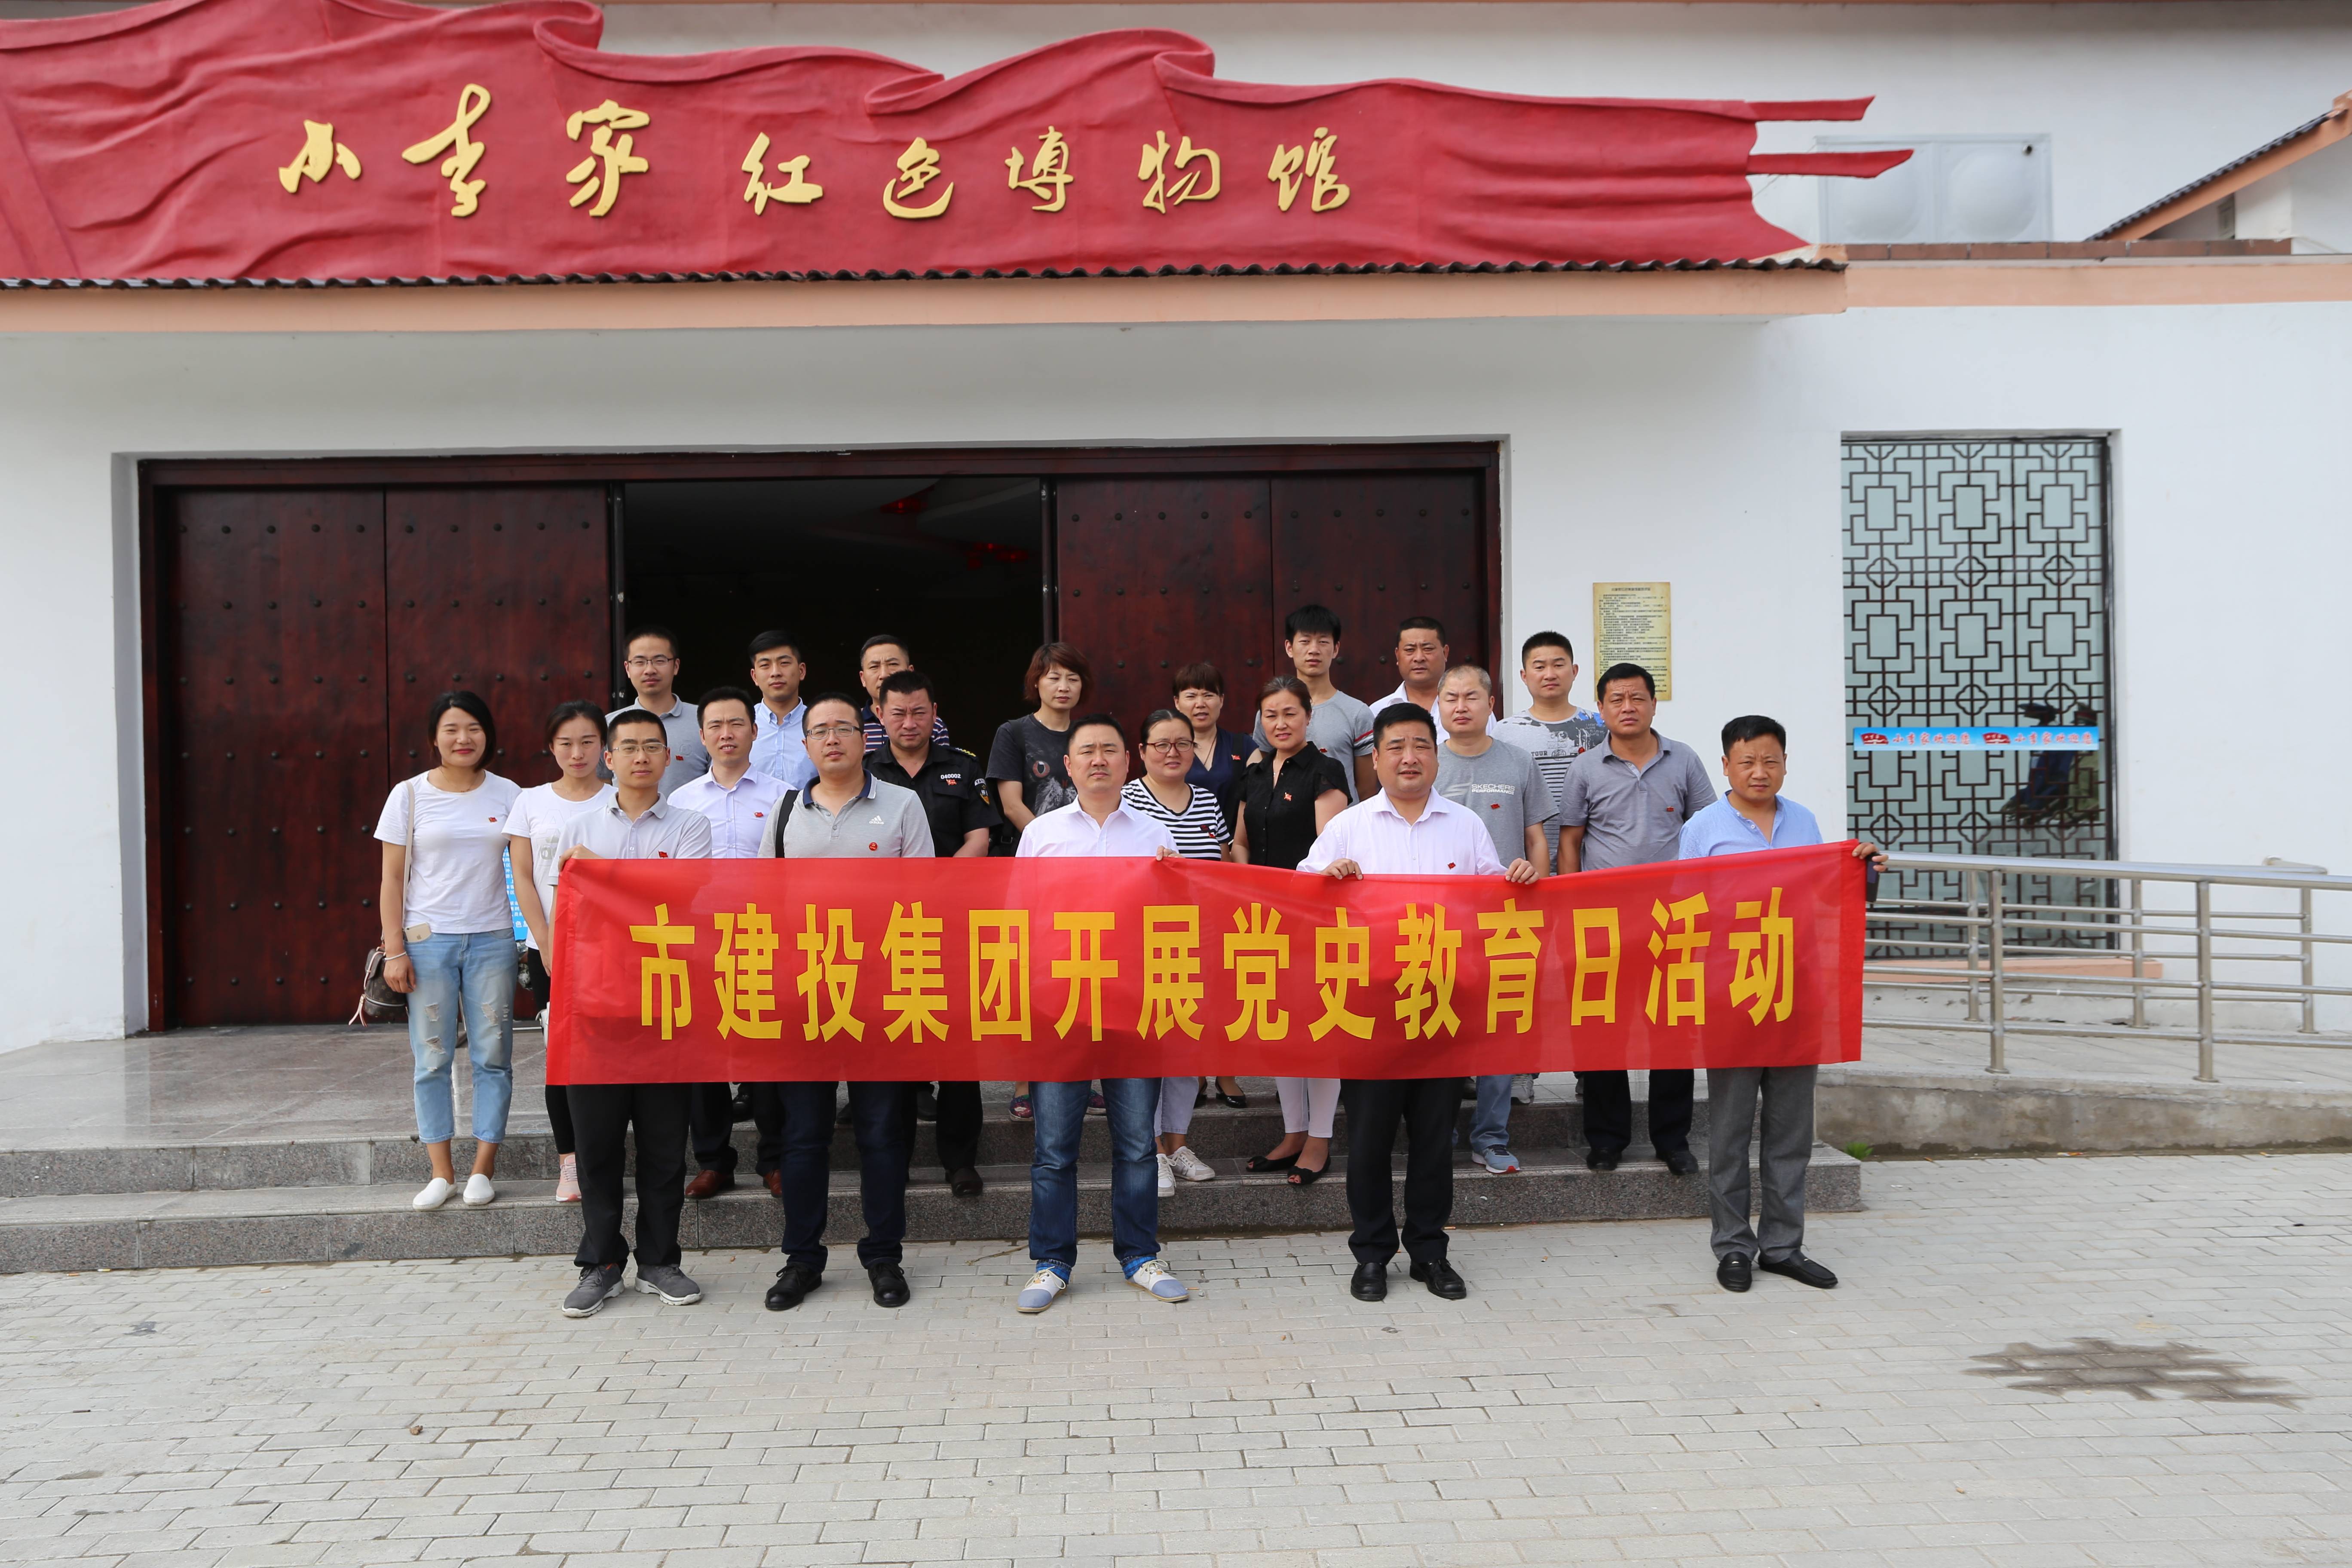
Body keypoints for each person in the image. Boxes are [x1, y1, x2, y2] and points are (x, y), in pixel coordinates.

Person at [1303, 704, 1538, 1303]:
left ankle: (1430, 1252)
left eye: (1420, 746)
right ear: (1376, 758)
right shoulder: (1349, 827)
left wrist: (1517, 877)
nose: (1409, 758)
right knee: (1370, 1141)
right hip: (1368, 1013)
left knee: (1435, 1141)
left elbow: (1494, 900)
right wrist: (1327, 878)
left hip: (1441, 1008)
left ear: (1436, 756)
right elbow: (1301, 895)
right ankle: (1372, 1254)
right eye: (1396, 747)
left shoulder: (1465, 824)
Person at [1680, 715, 1886, 1294]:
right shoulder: (1703, 828)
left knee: (1791, 1130)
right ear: (1726, 766)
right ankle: (1732, 1246)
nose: (1759, 772)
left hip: (1795, 992)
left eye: (1770, 761)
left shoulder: (1805, 822)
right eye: (1747, 762)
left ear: (1786, 765)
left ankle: (1782, 1246)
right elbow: (1681, 909)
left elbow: (1826, 896)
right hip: (1732, 995)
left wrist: (1864, 871)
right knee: (1729, 1131)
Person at [758, 692, 935, 1314]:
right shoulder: (785, 811)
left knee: (882, 1133)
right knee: (804, 1135)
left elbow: (925, 899)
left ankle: (884, 1254)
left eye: (843, 728)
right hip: (807, 991)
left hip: (882, 990)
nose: (832, 739)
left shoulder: (903, 804)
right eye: (820, 731)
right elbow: (765, 903)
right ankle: (802, 1259)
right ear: (805, 744)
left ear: (865, 739)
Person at [1012, 712, 1191, 1314]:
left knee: (1137, 1144)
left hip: (1133, 1008)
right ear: (1068, 765)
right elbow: (1017, 916)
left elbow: (1179, 918)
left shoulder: (1155, 836)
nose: (1098, 760)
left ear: (1127, 761)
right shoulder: (1042, 834)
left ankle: (1140, 1256)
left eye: (1109, 750)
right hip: (1059, 1008)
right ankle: (1052, 1262)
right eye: (1086, 751)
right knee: (1054, 1147)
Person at [548, 710, 714, 1317]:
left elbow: (678, 894)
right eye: (629, 747)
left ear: (669, 757)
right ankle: (601, 1263)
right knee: (596, 1148)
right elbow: (571, 916)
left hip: (667, 1007)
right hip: (596, 1009)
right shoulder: (577, 828)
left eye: (652, 747)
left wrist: (604, 872)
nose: (641, 757)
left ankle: (661, 1260)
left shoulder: (692, 826)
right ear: (609, 759)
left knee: (665, 1147)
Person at [1557, 662, 1719, 1176]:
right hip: (1603, 918)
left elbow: (1707, 828)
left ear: (1653, 704)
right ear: (1601, 708)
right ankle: (1607, 1140)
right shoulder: (1586, 768)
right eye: (1617, 699)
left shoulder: (1684, 759)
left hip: (1673, 917)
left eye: (1637, 698)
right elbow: (1570, 841)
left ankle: (1673, 1140)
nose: (1627, 707)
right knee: (1603, 1027)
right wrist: (1570, 907)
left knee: (1672, 1028)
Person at [374, 690, 523, 1213]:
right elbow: (392, 879)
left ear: (488, 735)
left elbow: (525, 872)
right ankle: (441, 1173)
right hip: (428, 942)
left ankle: (484, 1168)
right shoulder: (409, 795)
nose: (464, 739)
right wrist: (394, 949)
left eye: (474, 729)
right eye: (452, 730)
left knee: (493, 1056)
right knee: (432, 1057)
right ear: (434, 738)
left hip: (493, 940)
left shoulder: (509, 794)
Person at [865, 668, 998, 1199]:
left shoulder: (962, 767)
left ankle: (960, 1160)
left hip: (951, 923)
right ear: (879, 715)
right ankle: (894, 1158)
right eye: (898, 713)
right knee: (895, 1046)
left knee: (959, 1047)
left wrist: (932, 887)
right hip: (885, 930)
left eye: (919, 712)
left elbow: (979, 839)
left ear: (934, 714)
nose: (909, 722)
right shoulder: (866, 772)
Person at [1433, 665, 1556, 1177]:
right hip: (1438, 922)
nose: (1461, 706)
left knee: (1499, 1032)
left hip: (1506, 919)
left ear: (1491, 704)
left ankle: (1491, 1137)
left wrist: (1538, 894)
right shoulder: (1425, 761)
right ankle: (1438, 1132)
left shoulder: (1518, 761)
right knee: (1439, 1026)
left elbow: (1536, 838)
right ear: (1439, 706)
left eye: (1471, 697)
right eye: (1451, 698)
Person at [669, 686, 791, 1203]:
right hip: (702, 940)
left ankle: (775, 1159)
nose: (726, 734)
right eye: (716, 726)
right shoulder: (681, 801)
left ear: (754, 731)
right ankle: (714, 1162)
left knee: (766, 1053)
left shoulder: (784, 796)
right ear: (702, 736)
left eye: (736, 724)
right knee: (706, 1058)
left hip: (765, 937)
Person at [1232, 676, 1351, 1186]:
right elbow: (1240, 841)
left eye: (1290, 714)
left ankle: (1320, 1138)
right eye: (1271, 715)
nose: (1280, 724)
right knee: (1281, 1026)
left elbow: (1329, 847)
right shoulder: (1255, 772)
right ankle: (1294, 1132)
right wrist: (1248, 882)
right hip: (1263, 918)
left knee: (1318, 1026)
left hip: (1313, 915)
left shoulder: (1325, 770)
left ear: (1308, 717)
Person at [504, 701, 614, 1206]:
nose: (577, 753)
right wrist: (546, 940)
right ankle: (570, 1161)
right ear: (551, 747)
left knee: (611, 1055)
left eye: (588, 741)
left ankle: (605, 1157)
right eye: (566, 743)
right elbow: (523, 877)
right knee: (562, 1057)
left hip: (610, 949)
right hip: (549, 948)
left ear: (604, 747)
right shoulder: (530, 801)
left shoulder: (618, 801)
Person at [1490, 631, 1606, 1109]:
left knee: (1589, 976)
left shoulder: (1599, 728)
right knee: (1525, 976)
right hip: (1526, 874)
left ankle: (1591, 1071)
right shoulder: (1505, 733)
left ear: (1575, 671)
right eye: (1539, 666)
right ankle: (1523, 1073)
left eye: (1559, 664)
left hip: (1588, 872)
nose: (1549, 673)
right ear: (1523, 676)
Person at [1120, 708, 1234, 1196]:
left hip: (1199, 942)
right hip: (1141, 945)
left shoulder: (1207, 800)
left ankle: (1179, 1144)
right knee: (1147, 1052)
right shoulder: (1127, 801)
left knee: (1187, 1048)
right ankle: (1152, 1151)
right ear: (1142, 751)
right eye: (1162, 744)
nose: (1173, 752)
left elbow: (1223, 866)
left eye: (1183, 743)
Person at [987, 642, 1091, 1120]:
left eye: (1072, 678)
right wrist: (1057, 848)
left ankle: (1081, 1077)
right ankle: (1025, 1082)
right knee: (1033, 978)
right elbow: (1011, 804)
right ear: (1036, 683)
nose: (1063, 686)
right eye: (1054, 677)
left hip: (1087, 874)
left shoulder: (1089, 734)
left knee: (1084, 972)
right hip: (1034, 868)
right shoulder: (1014, 733)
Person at [1254, 604, 1375, 803]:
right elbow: (1263, 772)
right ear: (1289, 648)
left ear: (1336, 649)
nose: (1314, 650)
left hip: (1342, 821)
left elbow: (1366, 791)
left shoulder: (1357, 713)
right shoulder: (1271, 712)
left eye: (1323, 642)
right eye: (1305, 641)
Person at [606, 626, 708, 799]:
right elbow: (602, 786)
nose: (650, 670)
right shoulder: (610, 724)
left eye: (659, 661)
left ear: (676, 666)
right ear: (627, 669)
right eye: (640, 662)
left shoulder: (705, 719)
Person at [1371, 616, 1500, 734]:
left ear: (1445, 653)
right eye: (1410, 650)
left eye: (1428, 649)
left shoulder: (1476, 710)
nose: (1419, 658)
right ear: (1397, 655)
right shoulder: (1377, 711)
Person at [1172, 662, 1251, 828]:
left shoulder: (1245, 747)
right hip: (1179, 841)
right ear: (1177, 702)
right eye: (1191, 696)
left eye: (1208, 695)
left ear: (1221, 700)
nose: (1200, 704)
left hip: (1234, 841)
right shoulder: (1167, 750)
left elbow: (1259, 801)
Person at [854, 633, 951, 753]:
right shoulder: (852, 725)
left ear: (910, 672)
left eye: (893, 664)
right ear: (863, 678)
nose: (884, 675)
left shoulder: (934, 725)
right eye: (874, 667)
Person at [745, 629, 817, 789]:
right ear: (755, 677)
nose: (776, 673)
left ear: (802, 671)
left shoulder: (821, 724)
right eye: (765, 665)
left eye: (784, 663)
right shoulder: (741, 724)